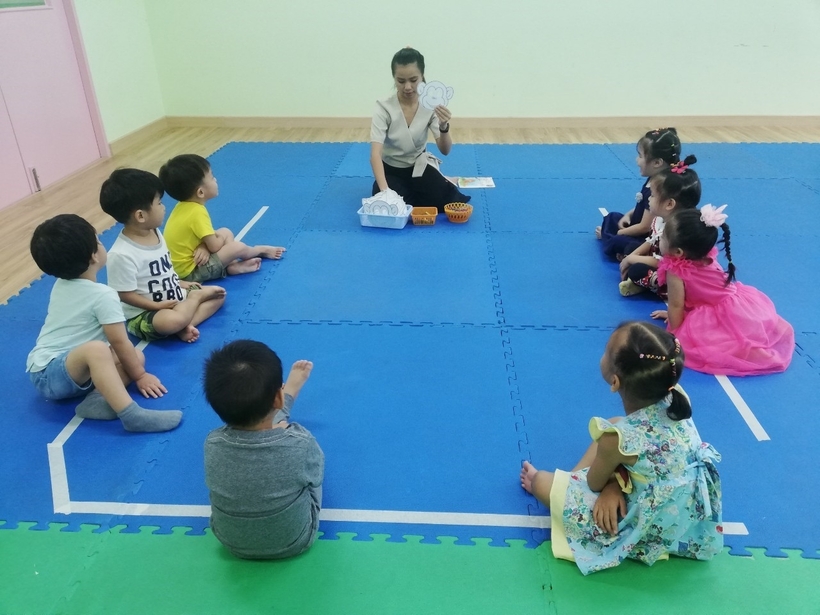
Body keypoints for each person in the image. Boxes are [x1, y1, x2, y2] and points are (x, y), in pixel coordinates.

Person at [519, 321, 723, 575]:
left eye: (606, 351)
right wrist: (617, 483)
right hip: (685, 517)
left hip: (649, 524)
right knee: (616, 424)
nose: (603, 354)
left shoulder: (614, 441)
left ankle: (566, 488)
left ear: (615, 382)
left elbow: (594, 483)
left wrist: (610, 486)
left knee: (540, 481)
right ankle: (571, 484)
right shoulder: (677, 397)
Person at [26, 214, 182, 433]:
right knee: (101, 350)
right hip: (48, 374)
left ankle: (98, 400)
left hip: (75, 371)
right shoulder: (103, 295)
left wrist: (135, 368)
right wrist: (140, 376)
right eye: (98, 240)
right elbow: (119, 341)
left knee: (135, 356)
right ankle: (132, 416)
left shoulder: (62, 284)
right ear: (93, 256)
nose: (101, 244)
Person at [203, 340, 323, 560]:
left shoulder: (212, 442)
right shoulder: (300, 442)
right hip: (295, 541)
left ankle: (279, 409)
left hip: (230, 542)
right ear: (277, 396)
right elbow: (316, 477)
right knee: (309, 478)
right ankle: (284, 403)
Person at [651, 206, 794, 375]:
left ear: (678, 252)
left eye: (663, 237)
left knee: (715, 345)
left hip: (724, 314)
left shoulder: (675, 271)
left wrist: (676, 334)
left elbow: (676, 305)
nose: (659, 239)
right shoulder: (703, 254)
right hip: (741, 308)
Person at [100, 168, 227, 344]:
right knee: (170, 321)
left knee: (219, 296)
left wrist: (180, 283)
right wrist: (155, 306)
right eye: (159, 203)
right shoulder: (121, 254)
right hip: (146, 312)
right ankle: (185, 313)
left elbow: (164, 269)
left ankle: (185, 324)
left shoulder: (155, 232)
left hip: (173, 296)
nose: (164, 207)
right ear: (141, 215)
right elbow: (124, 294)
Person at [369, 47, 470, 212]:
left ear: (422, 76)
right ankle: (416, 192)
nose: (408, 87)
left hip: (419, 167)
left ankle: (436, 184)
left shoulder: (430, 104)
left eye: (413, 80)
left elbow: (445, 150)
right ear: (394, 78)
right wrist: (386, 193)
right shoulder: (383, 107)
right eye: (401, 81)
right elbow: (375, 155)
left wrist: (444, 127)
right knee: (385, 200)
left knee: (442, 198)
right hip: (391, 170)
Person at [159, 154, 286, 282]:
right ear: (201, 192)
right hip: (192, 273)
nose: (215, 180)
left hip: (184, 265)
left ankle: (232, 266)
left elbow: (198, 238)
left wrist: (204, 246)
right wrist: (208, 246)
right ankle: (258, 250)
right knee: (237, 247)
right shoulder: (197, 212)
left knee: (225, 231)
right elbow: (214, 246)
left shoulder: (182, 206)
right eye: (211, 177)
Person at [618, 156, 700, 299]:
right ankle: (638, 280)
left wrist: (631, 260)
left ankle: (658, 287)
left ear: (669, 204)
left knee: (637, 270)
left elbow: (663, 262)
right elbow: (651, 241)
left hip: (672, 273)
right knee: (631, 248)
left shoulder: (676, 230)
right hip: (658, 257)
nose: (649, 199)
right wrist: (632, 255)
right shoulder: (661, 218)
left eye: (653, 196)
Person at [596, 128, 681, 260]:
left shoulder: (661, 187)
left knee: (618, 241)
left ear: (657, 163)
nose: (637, 160)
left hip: (646, 238)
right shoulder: (654, 178)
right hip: (638, 225)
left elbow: (644, 227)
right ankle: (610, 238)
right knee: (612, 217)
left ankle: (610, 240)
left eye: (640, 156)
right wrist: (628, 215)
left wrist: (620, 232)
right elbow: (644, 206)